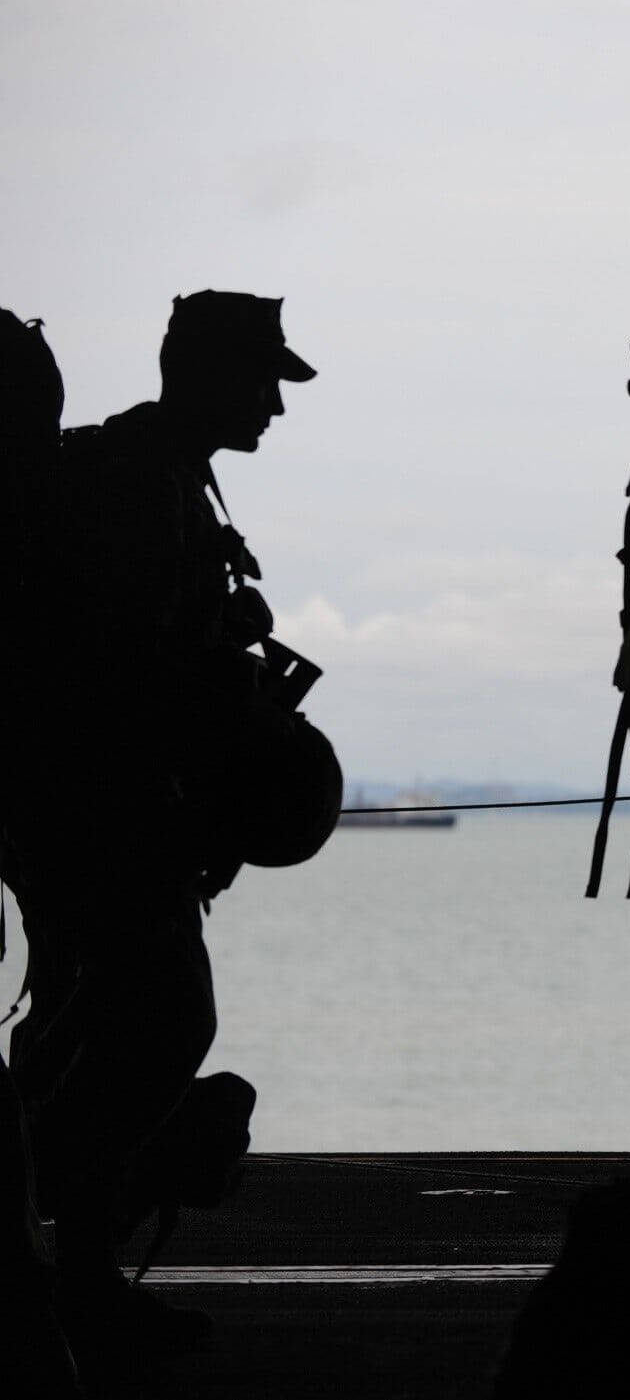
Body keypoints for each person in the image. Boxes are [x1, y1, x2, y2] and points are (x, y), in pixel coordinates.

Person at [2, 291, 312, 1358]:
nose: (276, 400)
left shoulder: (162, 474)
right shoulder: (141, 484)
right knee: (163, 1020)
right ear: (204, 372)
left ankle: (56, 1266)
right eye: (263, 377)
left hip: (93, 807)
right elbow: (122, 669)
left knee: (82, 1029)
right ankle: (79, 1276)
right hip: (100, 808)